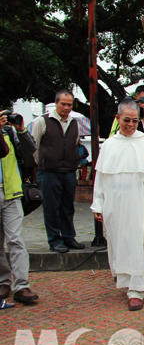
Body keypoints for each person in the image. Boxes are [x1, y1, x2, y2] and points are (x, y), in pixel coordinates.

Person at [91, 100, 144, 311]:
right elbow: (101, 177)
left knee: (138, 244)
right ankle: (126, 283)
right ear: (117, 119)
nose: (130, 124)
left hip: (138, 202)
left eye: (134, 120)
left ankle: (138, 289)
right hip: (114, 203)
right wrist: (98, 203)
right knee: (119, 243)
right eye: (126, 120)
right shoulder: (109, 144)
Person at [32, 89, 85, 253]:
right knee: (51, 207)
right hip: (49, 171)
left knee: (68, 206)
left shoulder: (74, 122)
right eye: (63, 104)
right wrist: (43, 163)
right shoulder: (43, 121)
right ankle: (54, 239)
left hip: (68, 171)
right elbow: (35, 146)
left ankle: (69, 237)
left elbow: (75, 144)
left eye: (69, 104)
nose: (66, 107)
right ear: (56, 103)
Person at [0, 110, 40, 304]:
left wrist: (21, 130)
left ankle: (22, 286)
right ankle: (3, 282)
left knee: (16, 240)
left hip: (12, 192)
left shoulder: (10, 132)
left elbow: (32, 154)